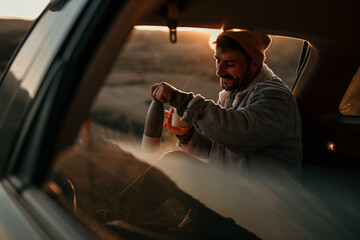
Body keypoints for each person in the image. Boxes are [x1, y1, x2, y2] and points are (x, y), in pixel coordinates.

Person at [150, 30, 302, 176]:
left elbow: (239, 136)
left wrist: (181, 100)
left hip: (262, 199)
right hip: (228, 189)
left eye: (229, 63)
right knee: (174, 161)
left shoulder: (274, 97)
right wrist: (188, 134)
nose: (219, 71)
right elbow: (216, 150)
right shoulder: (233, 94)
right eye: (218, 60)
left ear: (255, 63)